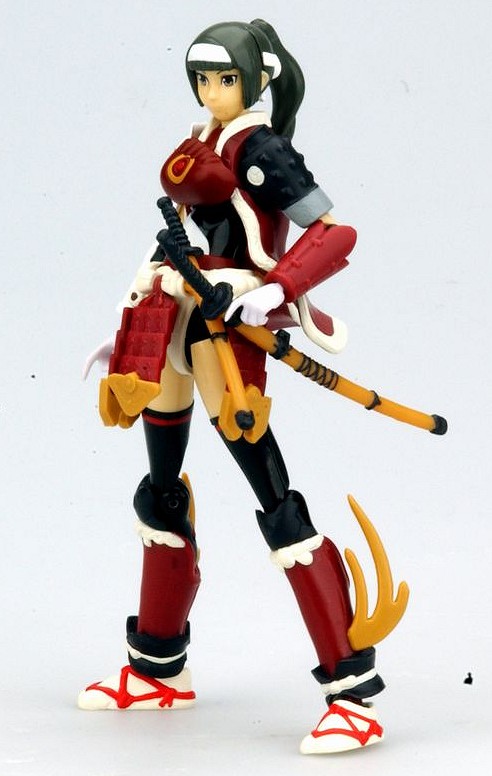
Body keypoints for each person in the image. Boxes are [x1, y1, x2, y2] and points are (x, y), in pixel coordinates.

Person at [79, 19, 391, 754]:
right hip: (174, 314)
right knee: (161, 488)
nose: (211, 91)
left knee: (274, 497)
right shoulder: (200, 143)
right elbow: (179, 235)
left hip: (226, 325)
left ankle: (351, 691)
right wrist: (131, 321)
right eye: (202, 78)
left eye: (223, 79)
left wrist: (272, 289)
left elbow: (334, 232)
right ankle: (157, 668)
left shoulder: (262, 150)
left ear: (254, 80)